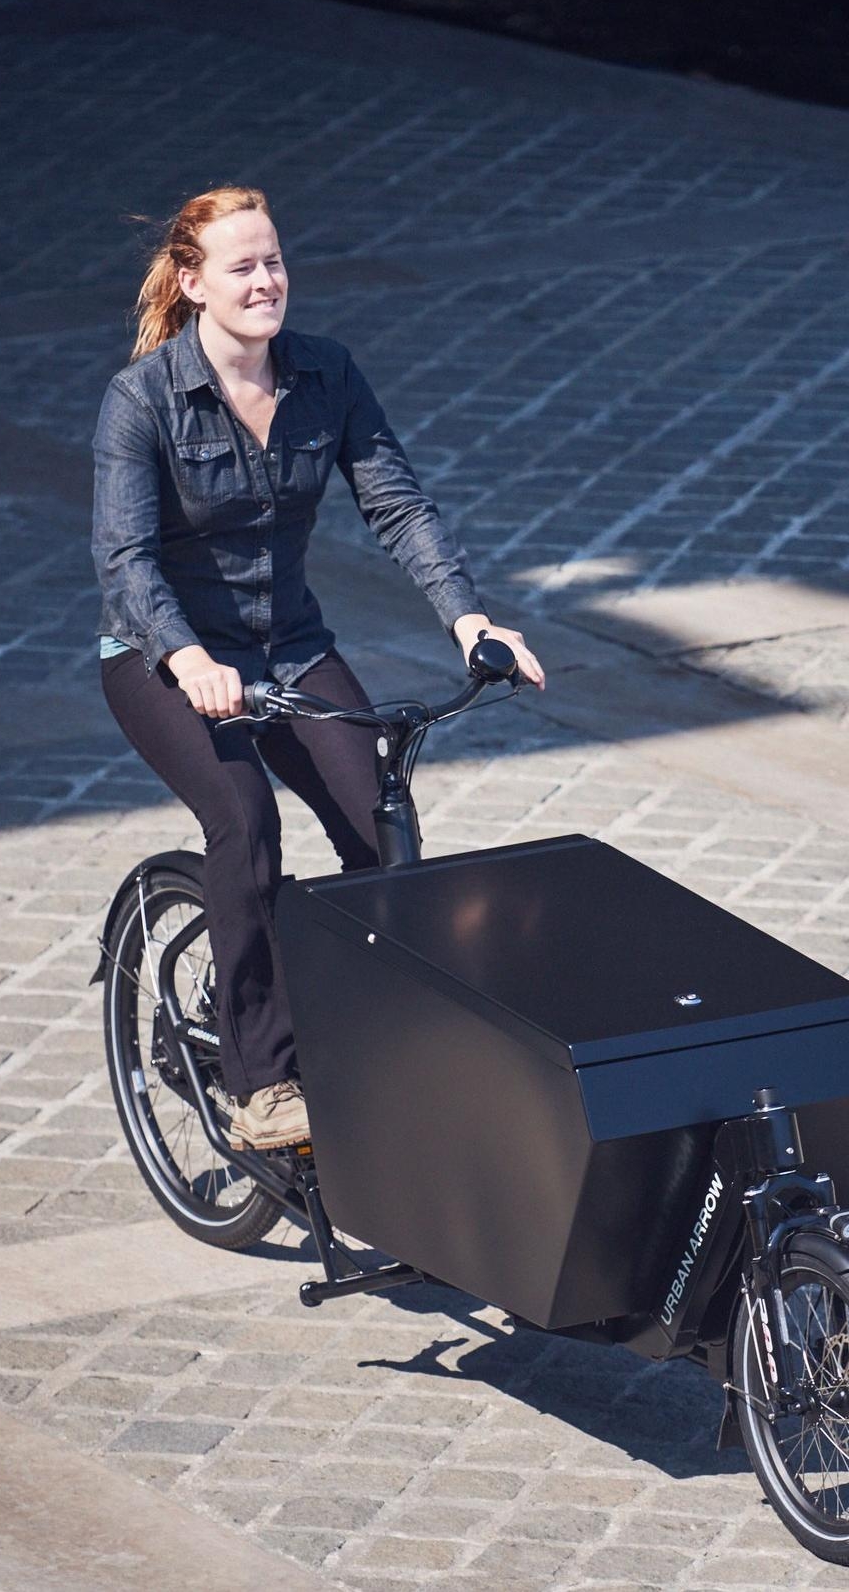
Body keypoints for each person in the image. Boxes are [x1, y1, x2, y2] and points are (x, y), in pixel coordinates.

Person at [92, 185, 544, 1151]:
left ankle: (354, 1038)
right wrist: (185, 654)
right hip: (163, 656)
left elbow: (399, 505)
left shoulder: (325, 375)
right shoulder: (144, 400)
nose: (265, 281)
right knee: (244, 824)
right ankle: (260, 1082)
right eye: (242, 265)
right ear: (192, 282)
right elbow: (125, 562)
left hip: (288, 646)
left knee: (384, 839)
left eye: (274, 260)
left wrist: (469, 620)